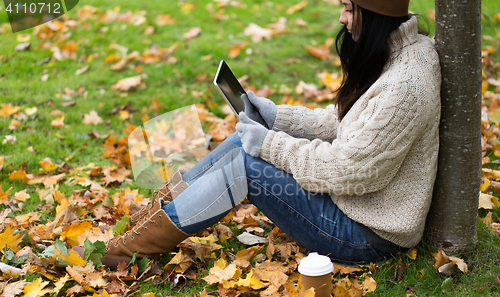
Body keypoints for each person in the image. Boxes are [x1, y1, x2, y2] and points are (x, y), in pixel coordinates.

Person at [99, 0, 441, 269]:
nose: (341, 18)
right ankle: (157, 213)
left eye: (349, 7)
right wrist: (277, 117)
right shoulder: (397, 54)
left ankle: (132, 250)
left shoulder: (405, 86)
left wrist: (269, 144)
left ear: (374, 13)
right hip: (352, 207)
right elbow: (346, 125)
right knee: (243, 141)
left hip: (367, 234)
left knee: (247, 164)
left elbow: (351, 168)